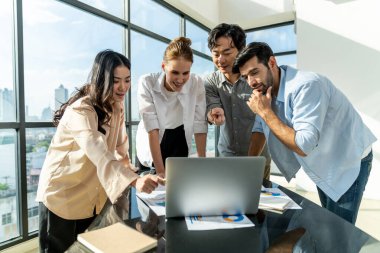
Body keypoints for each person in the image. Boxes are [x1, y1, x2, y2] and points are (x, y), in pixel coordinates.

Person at [233, 42, 376, 224]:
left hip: (347, 159)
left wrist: (265, 112)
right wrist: (249, 170)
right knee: (329, 222)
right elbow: (260, 128)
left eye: (254, 72)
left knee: (340, 232)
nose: (251, 82)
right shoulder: (264, 90)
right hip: (323, 159)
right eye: (245, 77)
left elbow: (303, 144)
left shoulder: (307, 85)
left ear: (271, 62)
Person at [36, 49, 163, 252]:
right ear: (101, 79)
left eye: (127, 80)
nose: (123, 87)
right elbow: (99, 151)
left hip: (91, 196)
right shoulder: (81, 110)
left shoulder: (117, 108)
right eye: (116, 80)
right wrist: (134, 180)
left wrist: (137, 176)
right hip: (62, 195)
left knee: (89, 248)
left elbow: (121, 151)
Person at [204, 23, 271, 180]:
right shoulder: (210, 82)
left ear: (241, 50)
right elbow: (211, 106)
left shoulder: (257, 79)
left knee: (259, 204)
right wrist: (213, 114)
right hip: (226, 159)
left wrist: (251, 163)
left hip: (258, 159)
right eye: (215, 54)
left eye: (227, 52)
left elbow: (264, 121)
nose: (220, 60)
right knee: (226, 204)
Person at [136, 37, 207, 177]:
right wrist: (161, 173)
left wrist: (202, 165)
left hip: (179, 136)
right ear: (163, 67)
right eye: (175, 72)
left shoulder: (196, 82)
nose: (180, 79)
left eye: (185, 73)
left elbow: (199, 124)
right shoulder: (147, 82)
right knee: (152, 189)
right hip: (153, 140)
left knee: (179, 187)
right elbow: (152, 129)